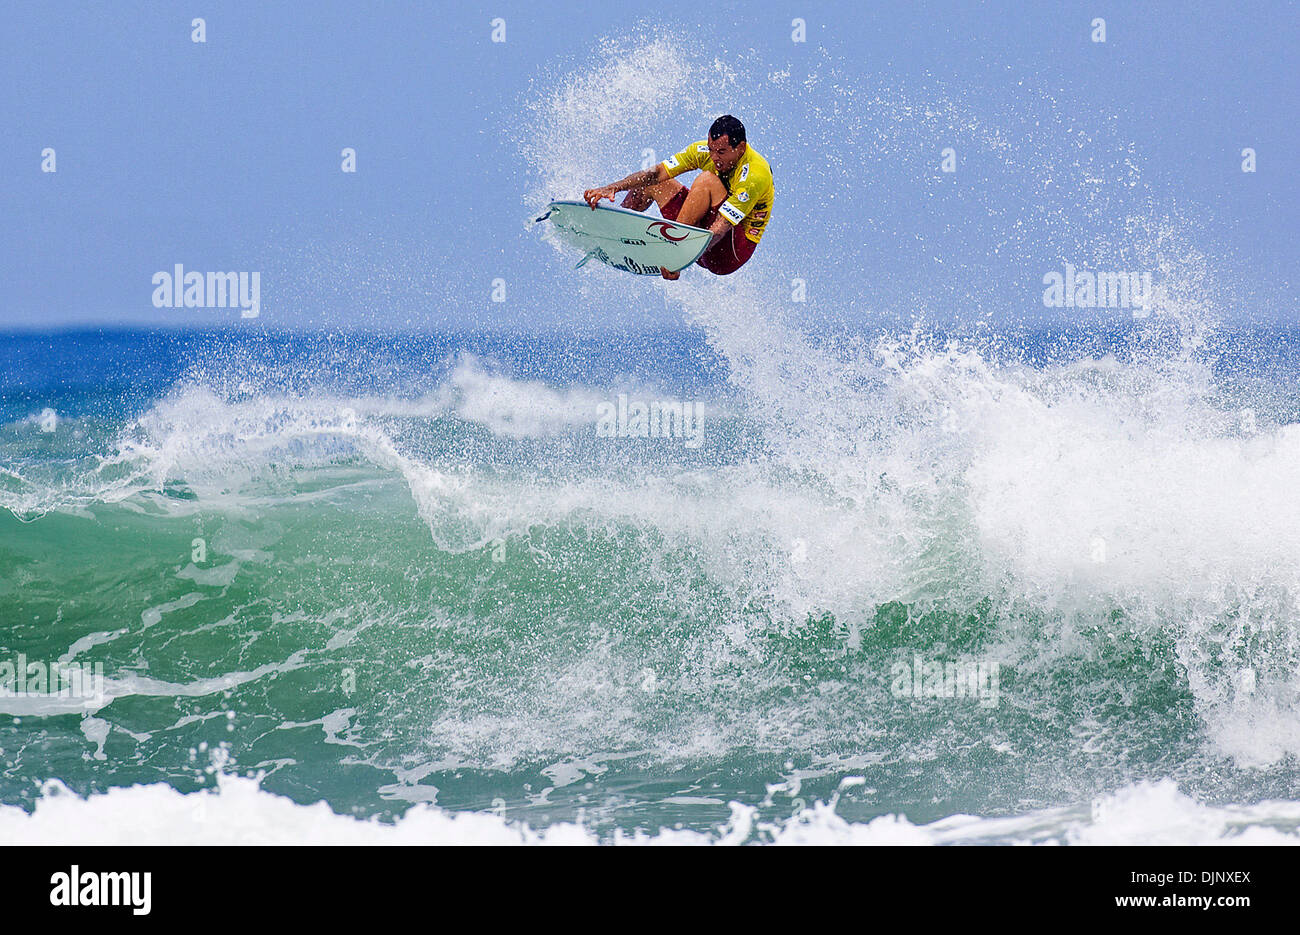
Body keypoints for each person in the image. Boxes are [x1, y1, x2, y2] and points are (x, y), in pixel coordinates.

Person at [582, 115, 773, 280]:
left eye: (721, 152)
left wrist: (676, 258)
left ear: (740, 148)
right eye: (711, 149)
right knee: (654, 180)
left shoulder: (755, 175)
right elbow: (656, 173)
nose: (714, 158)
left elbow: (722, 226)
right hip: (696, 240)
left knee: (707, 180)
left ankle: (672, 245)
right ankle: (616, 226)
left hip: (728, 254)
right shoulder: (705, 152)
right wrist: (612, 187)